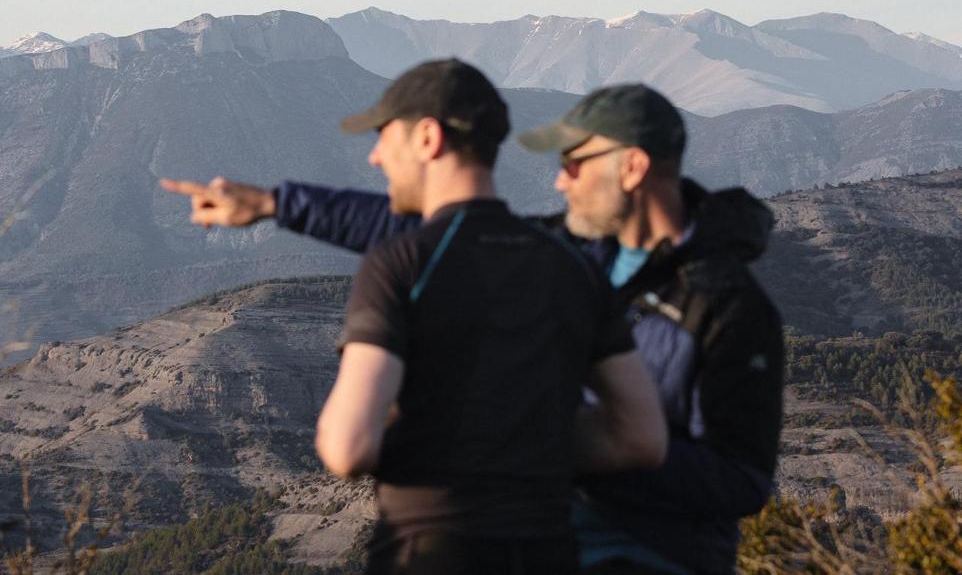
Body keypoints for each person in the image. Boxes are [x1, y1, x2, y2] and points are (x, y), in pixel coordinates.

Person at [164, 81, 783, 575]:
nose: (558, 180)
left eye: (573, 162)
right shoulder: (567, 254)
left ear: (633, 168)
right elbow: (429, 235)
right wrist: (276, 205)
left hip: (652, 554)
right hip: (545, 537)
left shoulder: (729, 307)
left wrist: (566, 446)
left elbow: (742, 481)